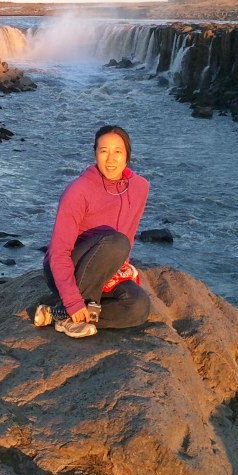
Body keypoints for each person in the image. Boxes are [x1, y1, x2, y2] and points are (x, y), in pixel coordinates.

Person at [34, 124, 153, 338]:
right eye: (103, 151)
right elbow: (58, 252)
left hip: (106, 267)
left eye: (118, 151)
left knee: (139, 306)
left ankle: (58, 314)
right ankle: (74, 310)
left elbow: (130, 229)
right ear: (95, 153)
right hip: (69, 268)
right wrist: (72, 298)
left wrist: (119, 267)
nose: (110, 159)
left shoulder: (140, 187)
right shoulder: (78, 191)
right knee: (118, 243)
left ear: (127, 155)